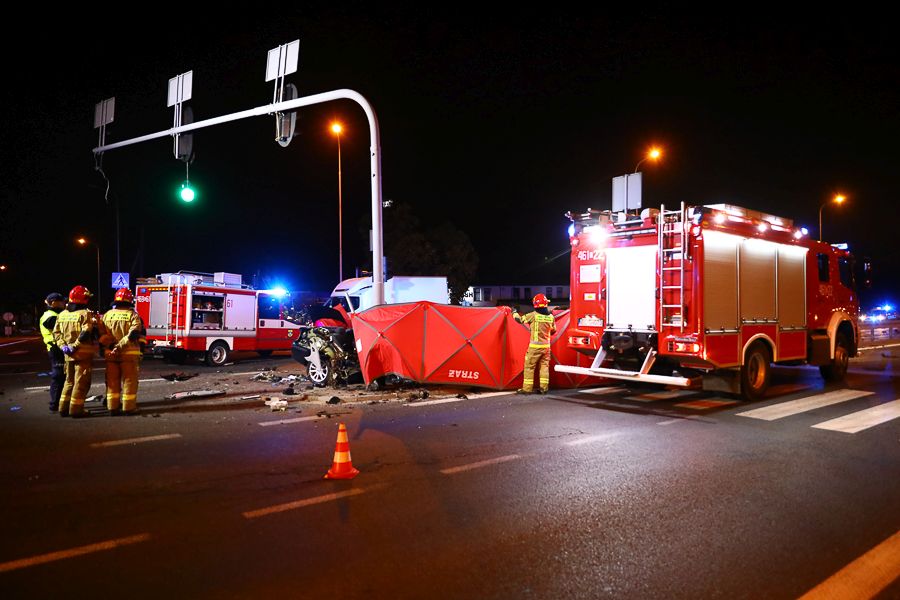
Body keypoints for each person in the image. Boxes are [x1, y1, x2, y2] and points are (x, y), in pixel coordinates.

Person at [52, 285, 99, 417]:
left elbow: (56, 333)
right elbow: (86, 332)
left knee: (69, 381)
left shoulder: (62, 315)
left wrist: (63, 346)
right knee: (81, 382)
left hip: (67, 354)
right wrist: (75, 345)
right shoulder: (85, 314)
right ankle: (76, 410)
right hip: (82, 354)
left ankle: (63, 408)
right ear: (83, 300)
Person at [99, 288, 145, 415]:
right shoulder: (133, 315)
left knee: (112, 382)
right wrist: (119, 346)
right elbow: (134, 334)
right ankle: (128, 408)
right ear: (130, 300)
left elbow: (101, 334)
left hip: (111, 355)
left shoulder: (107, 315)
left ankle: (112, 408)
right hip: (129, 355)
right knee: (129, 381)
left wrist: (111, 345)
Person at [517, 293, 557, 394]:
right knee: (544, 367)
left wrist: (514, 312)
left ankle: (527, 389)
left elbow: (520, 320)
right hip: (546, 348)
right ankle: (544, 389)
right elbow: (553, 331)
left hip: (534, 348)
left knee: (529, 367)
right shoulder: (551, 317)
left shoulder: (533, 315)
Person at [39, 292, 67, 412]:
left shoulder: (53, 314)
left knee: (62, 376)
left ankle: (59, 402)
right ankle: (54, 404)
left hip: (57, 348)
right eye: (61, 301)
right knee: (58, 376)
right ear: (54, 302)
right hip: (55, 348)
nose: (64, 303)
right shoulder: (50, 316)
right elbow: (62, 329)